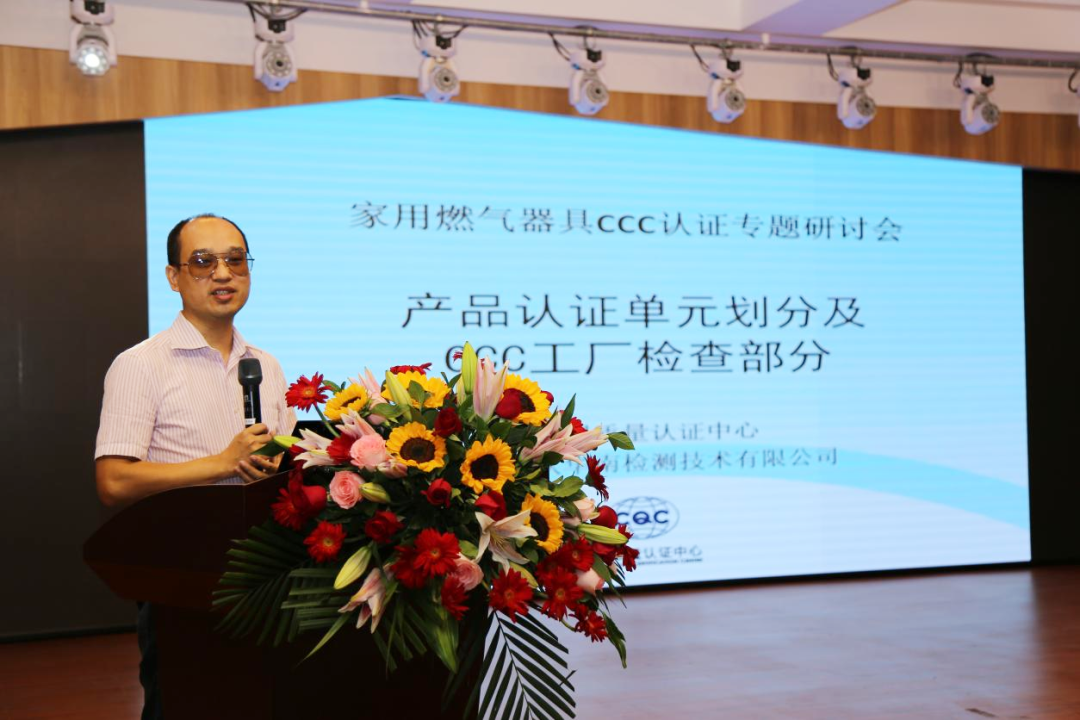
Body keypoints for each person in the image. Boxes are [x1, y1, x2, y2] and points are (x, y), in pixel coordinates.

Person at [94, 214, 296, 719]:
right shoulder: (141, 365)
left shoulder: (266, 366)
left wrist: (277, 465)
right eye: (203, 262)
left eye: (235, 260)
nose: (223, 274)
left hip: (267, 578)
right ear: (173, 276)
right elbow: (114, 482)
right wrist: (221, 463)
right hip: (179, 579)